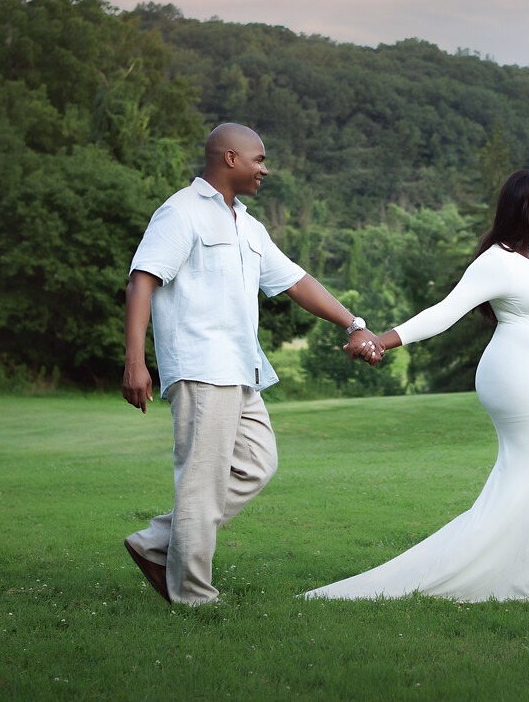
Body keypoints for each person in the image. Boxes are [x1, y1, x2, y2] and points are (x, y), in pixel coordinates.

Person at [304, 169, 529, 602]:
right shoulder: (496, 262)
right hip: (518, 374)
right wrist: (383, 341)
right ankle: (507, 585)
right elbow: (444, 312)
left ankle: (515, 581)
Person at [121, 123, 377, 606]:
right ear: (231, 159)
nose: (266, 168)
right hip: (200, 366)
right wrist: (136, 361)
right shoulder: (180, 213)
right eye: (259, 159)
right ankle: (193, 596)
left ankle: (156, 543)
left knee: (257, 464)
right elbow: (142, 281)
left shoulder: (246, 224)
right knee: (202, 480)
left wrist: (353, 324)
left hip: (241, 369)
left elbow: (297, 281)